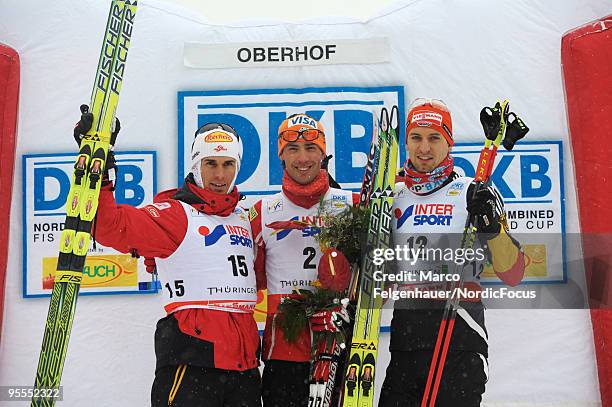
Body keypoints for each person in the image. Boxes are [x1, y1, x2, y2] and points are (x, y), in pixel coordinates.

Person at [75, 111, 262, 407]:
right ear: (196, 165)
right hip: (193, 360)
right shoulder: (176, 215)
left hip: (245, 368)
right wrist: (99, 171)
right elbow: (109, 226)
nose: (219, 175)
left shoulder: (245, 218)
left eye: (228, 165)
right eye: (210, 164)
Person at [378, 99, 525, 407]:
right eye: (416, 138)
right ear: (406, 142)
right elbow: (381, 278)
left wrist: (489, 224)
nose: (424, 148)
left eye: (434, 138)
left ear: (449, 142)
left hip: (460, 335)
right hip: (407, 340)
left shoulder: (473, 191)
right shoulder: (393, 196)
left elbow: (512, 272)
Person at [249, 114, 355, 407]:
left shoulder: (350, 204)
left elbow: (376, 276)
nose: (302, 157)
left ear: (323, 154)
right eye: (292, 148)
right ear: (281, 156)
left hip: (337, 348)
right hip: (283, 354)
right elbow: (249, 282)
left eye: (311, 148)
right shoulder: (263, 212)